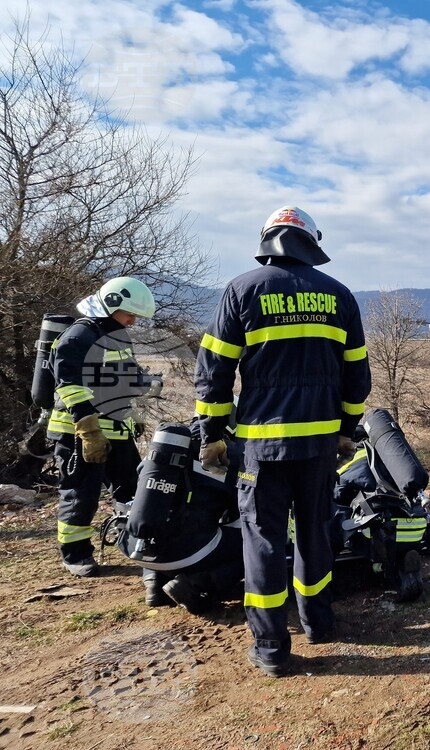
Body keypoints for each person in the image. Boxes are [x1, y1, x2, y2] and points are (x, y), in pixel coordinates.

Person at [194, 206, 371, 677]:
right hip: (318, 447)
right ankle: (321, 624)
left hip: (261, 448)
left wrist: (211, 434)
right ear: (312, 241)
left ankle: (272, 648)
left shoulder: (242, 289)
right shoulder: (340, 296)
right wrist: (346, 431)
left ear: (268, 239)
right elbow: (358, 377)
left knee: (264, 541)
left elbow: (214, 372)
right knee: (315, 532)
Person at [46, 277, 158, 576]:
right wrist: (89, 431)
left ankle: (133, 542)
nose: (133, 321)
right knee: (81, 494)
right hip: (79, 433)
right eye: (129, 314)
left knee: (134, 491)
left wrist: (143, 388)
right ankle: (75, 555)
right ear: (111, 305)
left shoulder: (116, 337)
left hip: (115, 430)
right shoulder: (78, 336)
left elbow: (124, 379)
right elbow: (69, 387)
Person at [118, 423, 245, 614]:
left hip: (135, 546)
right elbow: (245, 500)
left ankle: (153, 583)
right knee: (255, 540)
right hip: (185, 553)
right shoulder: (229, 454)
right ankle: (198, 586)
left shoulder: (163, 451)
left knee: (163, 516)